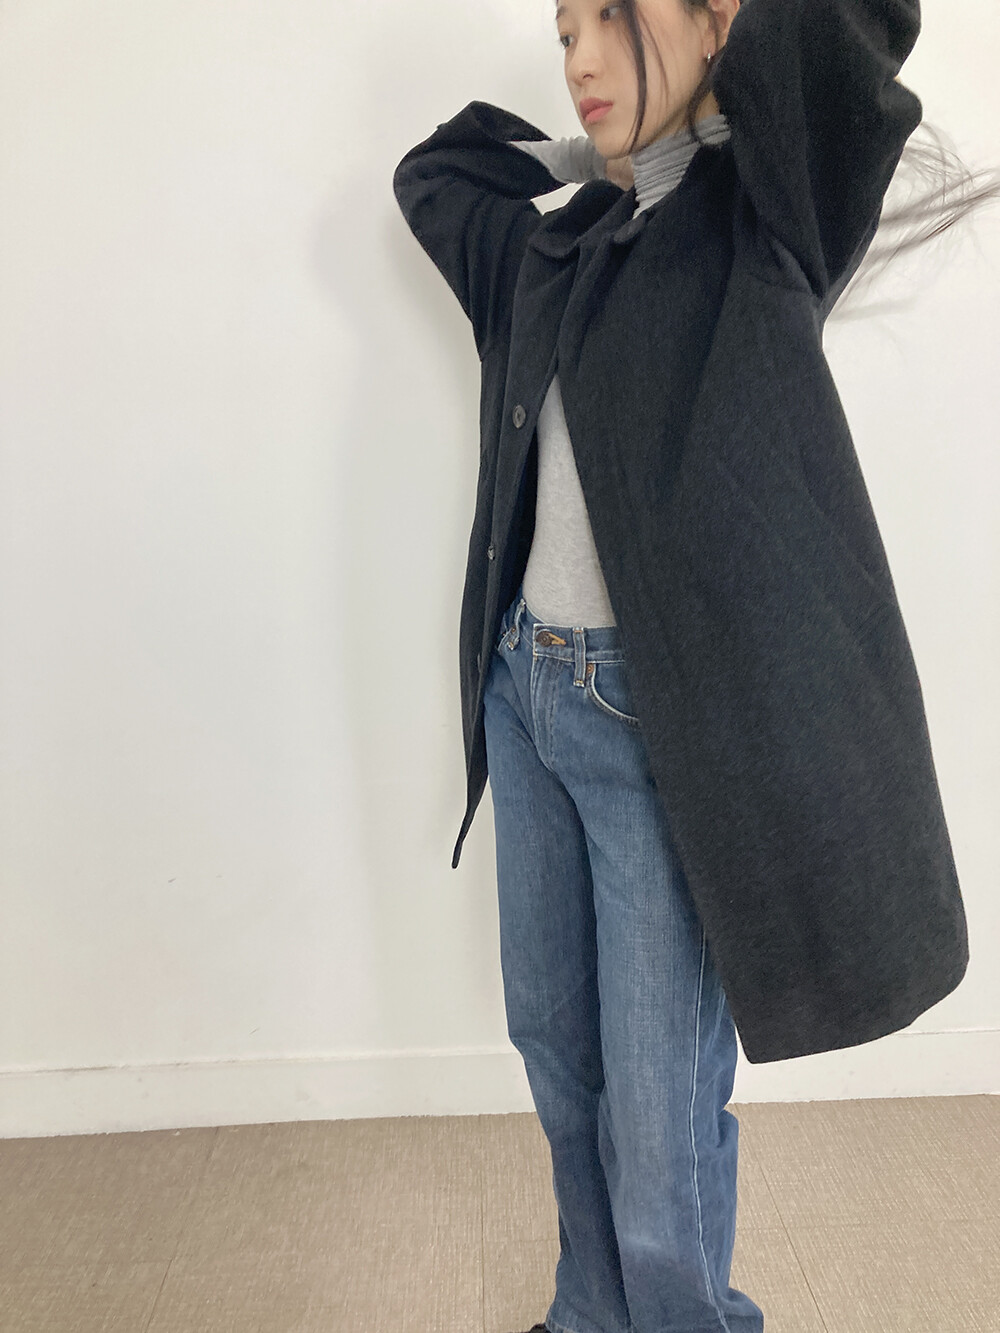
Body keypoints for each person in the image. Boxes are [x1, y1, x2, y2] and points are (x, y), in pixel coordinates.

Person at [392, 1, 992, 1329]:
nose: (579, 60)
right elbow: (435, 176)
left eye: (609, 19)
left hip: (657, 733)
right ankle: (591, 1314)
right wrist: (590, 156)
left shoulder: (764, 228)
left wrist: (718, 68)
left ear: (716, 20)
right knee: (560, 1058)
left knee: (659, 1109)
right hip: (527, 696)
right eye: (562, 34)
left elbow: (848, 30)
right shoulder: (551, 248)